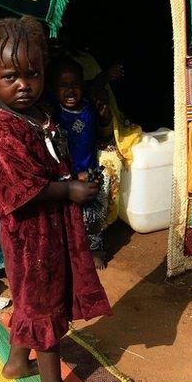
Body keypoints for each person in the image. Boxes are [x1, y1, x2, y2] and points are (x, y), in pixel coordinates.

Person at [0, 16, 112, 382]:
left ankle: (18, 362)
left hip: (50, 227)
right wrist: (68, 189)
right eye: (11, 77)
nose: (24, 85)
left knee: (29, 297)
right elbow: (20, 188)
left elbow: (53, 158)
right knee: (44, 301)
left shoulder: (39, 114)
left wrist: (74, 175)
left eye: (32, 74)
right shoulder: (0, 129)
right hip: (30, 234)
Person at [47, 57, 121, 269]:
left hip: (89, 170)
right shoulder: (54, 112)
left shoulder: (89, 107)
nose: (70, 91)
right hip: (65, 175)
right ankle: (70, 253)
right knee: (67, 217)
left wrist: (104, 117)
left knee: (92, 213)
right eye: (63, 86)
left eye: (75, 85)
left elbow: (102, 131)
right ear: (53, 89)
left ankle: (95, 249)